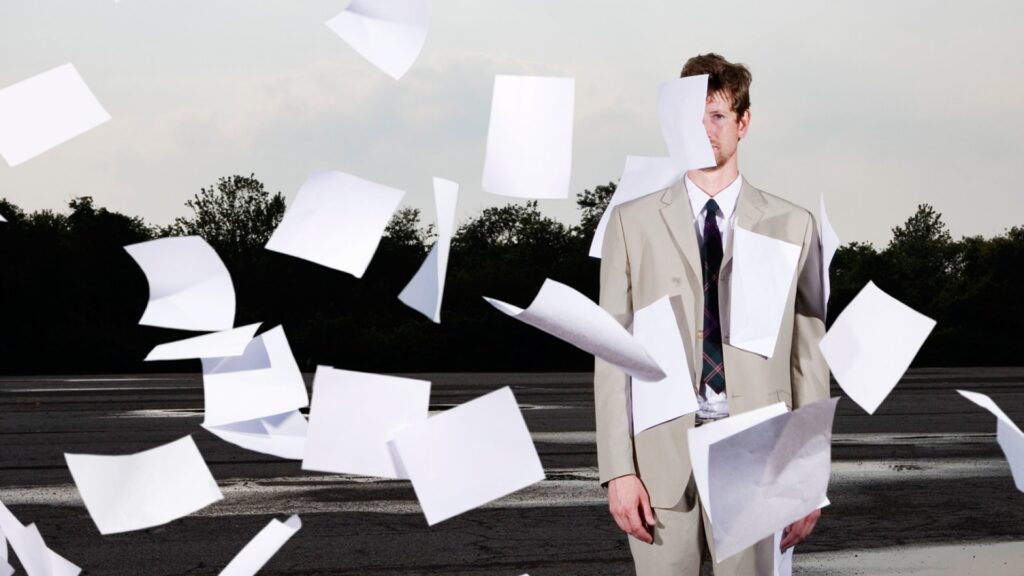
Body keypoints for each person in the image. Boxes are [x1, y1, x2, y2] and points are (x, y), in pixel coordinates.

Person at [595, 53, 831, 576]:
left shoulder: (794, 225)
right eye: (693, 117)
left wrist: (809, 477)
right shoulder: (631, 224)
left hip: (758, 459)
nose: (704, 130)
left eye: (718, 116)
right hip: (659, 463)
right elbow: (612, 352)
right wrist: (617, 471)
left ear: (744, 122)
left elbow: (808, 358)